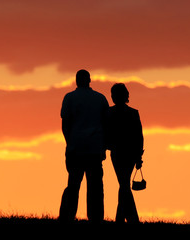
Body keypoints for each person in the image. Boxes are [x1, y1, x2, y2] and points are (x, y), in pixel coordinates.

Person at [59, 69, 109, 222]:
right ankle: (96, 218)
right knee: (95, 186)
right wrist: (103, 146)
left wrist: (69, 143)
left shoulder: (69, 98)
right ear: (90, 80)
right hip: (94, 149)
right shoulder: (100, 98)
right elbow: (107, 124)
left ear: (76, 81)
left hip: (76, 148)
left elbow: (65, 124)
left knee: (73, 184)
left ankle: (67, 216)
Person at [107, 83, 144, 223]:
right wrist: (139, 156)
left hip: (117, 153)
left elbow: (106, 133)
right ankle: (126, 218)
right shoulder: (133, 113)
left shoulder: (109, 113)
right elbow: (139, 136)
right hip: (129, 153)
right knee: (124, 183)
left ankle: (126, 218)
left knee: (123, 184)